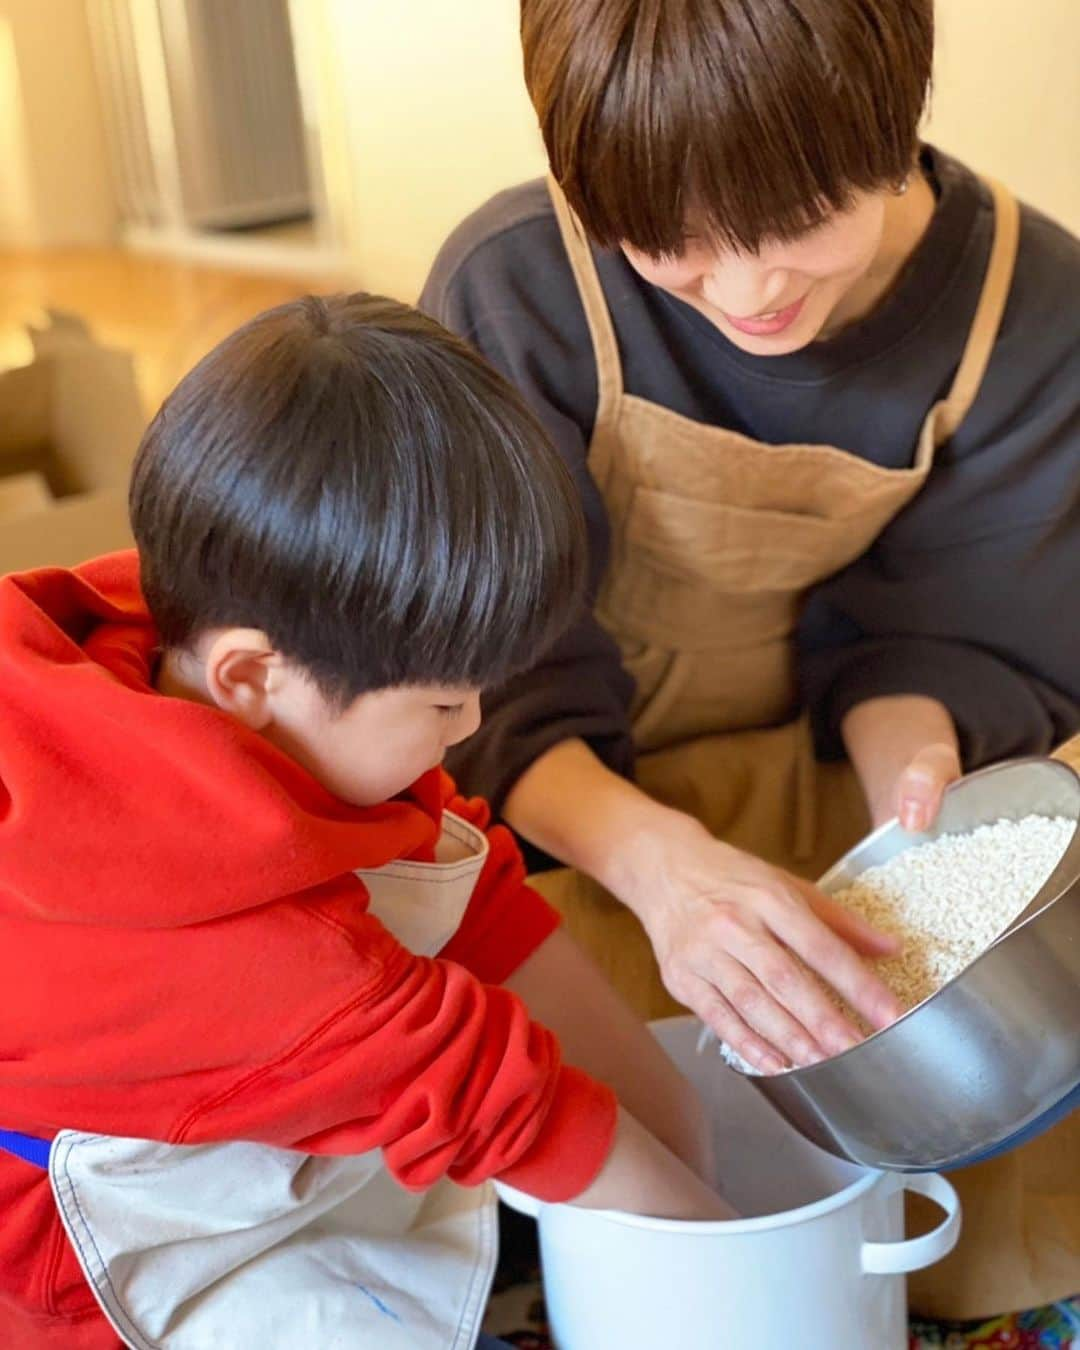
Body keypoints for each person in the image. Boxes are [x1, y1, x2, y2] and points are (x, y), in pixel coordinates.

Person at [420, 0, 1080, 1320]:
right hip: (565, 807)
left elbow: (953, 637)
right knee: (578, 1139)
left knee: (989, 1207)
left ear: (895, 116)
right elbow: (486, 673)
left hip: (822, 771)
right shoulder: (515, 284)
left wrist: (923, 798)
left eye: (798, 223)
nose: (747, 291)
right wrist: (663, 871)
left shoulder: (1030, 299)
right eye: (671, 247)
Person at [0, 294, 730, 1350]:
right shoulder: (268, 965)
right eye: (443, 704)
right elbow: (504, 1104)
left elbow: (476, 901)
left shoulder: (187, 624)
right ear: (253, 675)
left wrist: (688, 1133)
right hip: (98, 1266)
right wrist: (741, 1256)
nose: (472, 724)